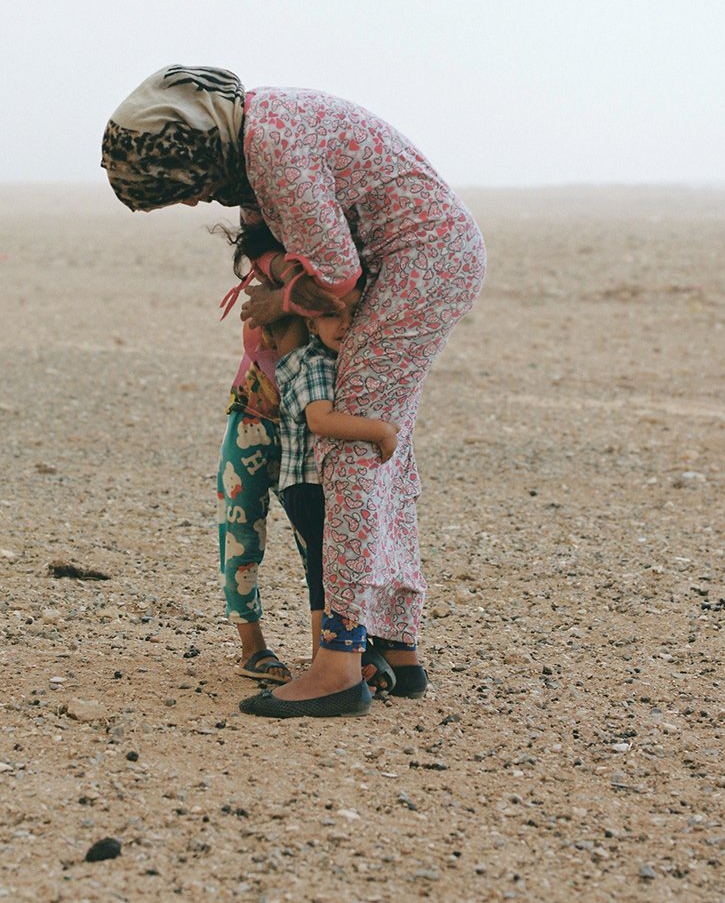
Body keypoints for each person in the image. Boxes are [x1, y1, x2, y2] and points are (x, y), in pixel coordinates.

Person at [102, 65, 486, 718]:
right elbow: (290, 248)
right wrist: (280, 280)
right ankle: (396, 651)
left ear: (196, 151)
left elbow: (335, 276)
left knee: (350, 452)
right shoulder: (258, 138)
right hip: (424, 262)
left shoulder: (270, 146)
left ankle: (338, 666)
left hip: (419, 267)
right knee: (380, 456)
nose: (194, 203)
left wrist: (273, 299)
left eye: (182, 190)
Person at [258, 285, 400, 715]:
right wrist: (379, 431)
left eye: (353, 314)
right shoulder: (315, 363)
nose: (344, 325)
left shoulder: (330, 359)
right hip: (306, 484)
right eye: (332, 316)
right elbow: (321, 420)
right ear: (310, 321)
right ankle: (329, 665)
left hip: (311, 483)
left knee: (327, 568)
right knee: (325, 570)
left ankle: (349, 656)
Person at [214, 218, 300, 686]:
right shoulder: (271, 268)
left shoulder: (323, 273)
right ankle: (253, 647)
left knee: (319, 541)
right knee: (241, 532)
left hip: (309, 427)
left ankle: (329, 652)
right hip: (252, 415)